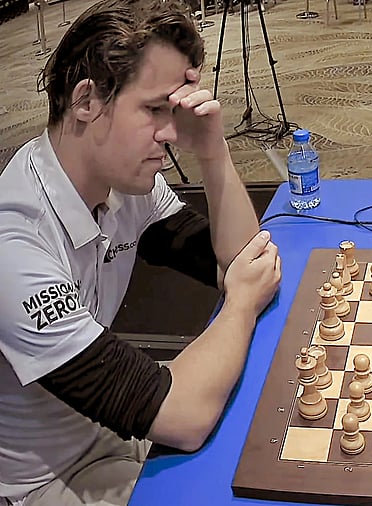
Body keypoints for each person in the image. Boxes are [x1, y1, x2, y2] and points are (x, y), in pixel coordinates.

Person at [0, 0, 281, 505]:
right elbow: (186, 417)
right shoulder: (13, 248)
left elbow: (241, 261)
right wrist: (240, 303)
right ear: (86, 100)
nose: (171, 133)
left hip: (109, 435)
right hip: (39, 484)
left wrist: (212, 150)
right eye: (155, 110)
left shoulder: (124, 184)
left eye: (175, 111)